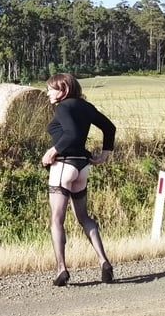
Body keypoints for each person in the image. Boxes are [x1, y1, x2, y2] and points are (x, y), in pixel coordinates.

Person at [41, 73, 116, 287]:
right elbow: (109, 128)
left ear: (63, 89)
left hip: (64, 165)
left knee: (56, 220)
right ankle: (104, 262)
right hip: (82, 166)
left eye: (50, 89)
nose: (47, 93)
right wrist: (105, 154)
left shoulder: (63, 107)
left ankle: (61, 269)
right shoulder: (86, 107)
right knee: (84, 217)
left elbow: (71, 134)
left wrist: (52, 151)